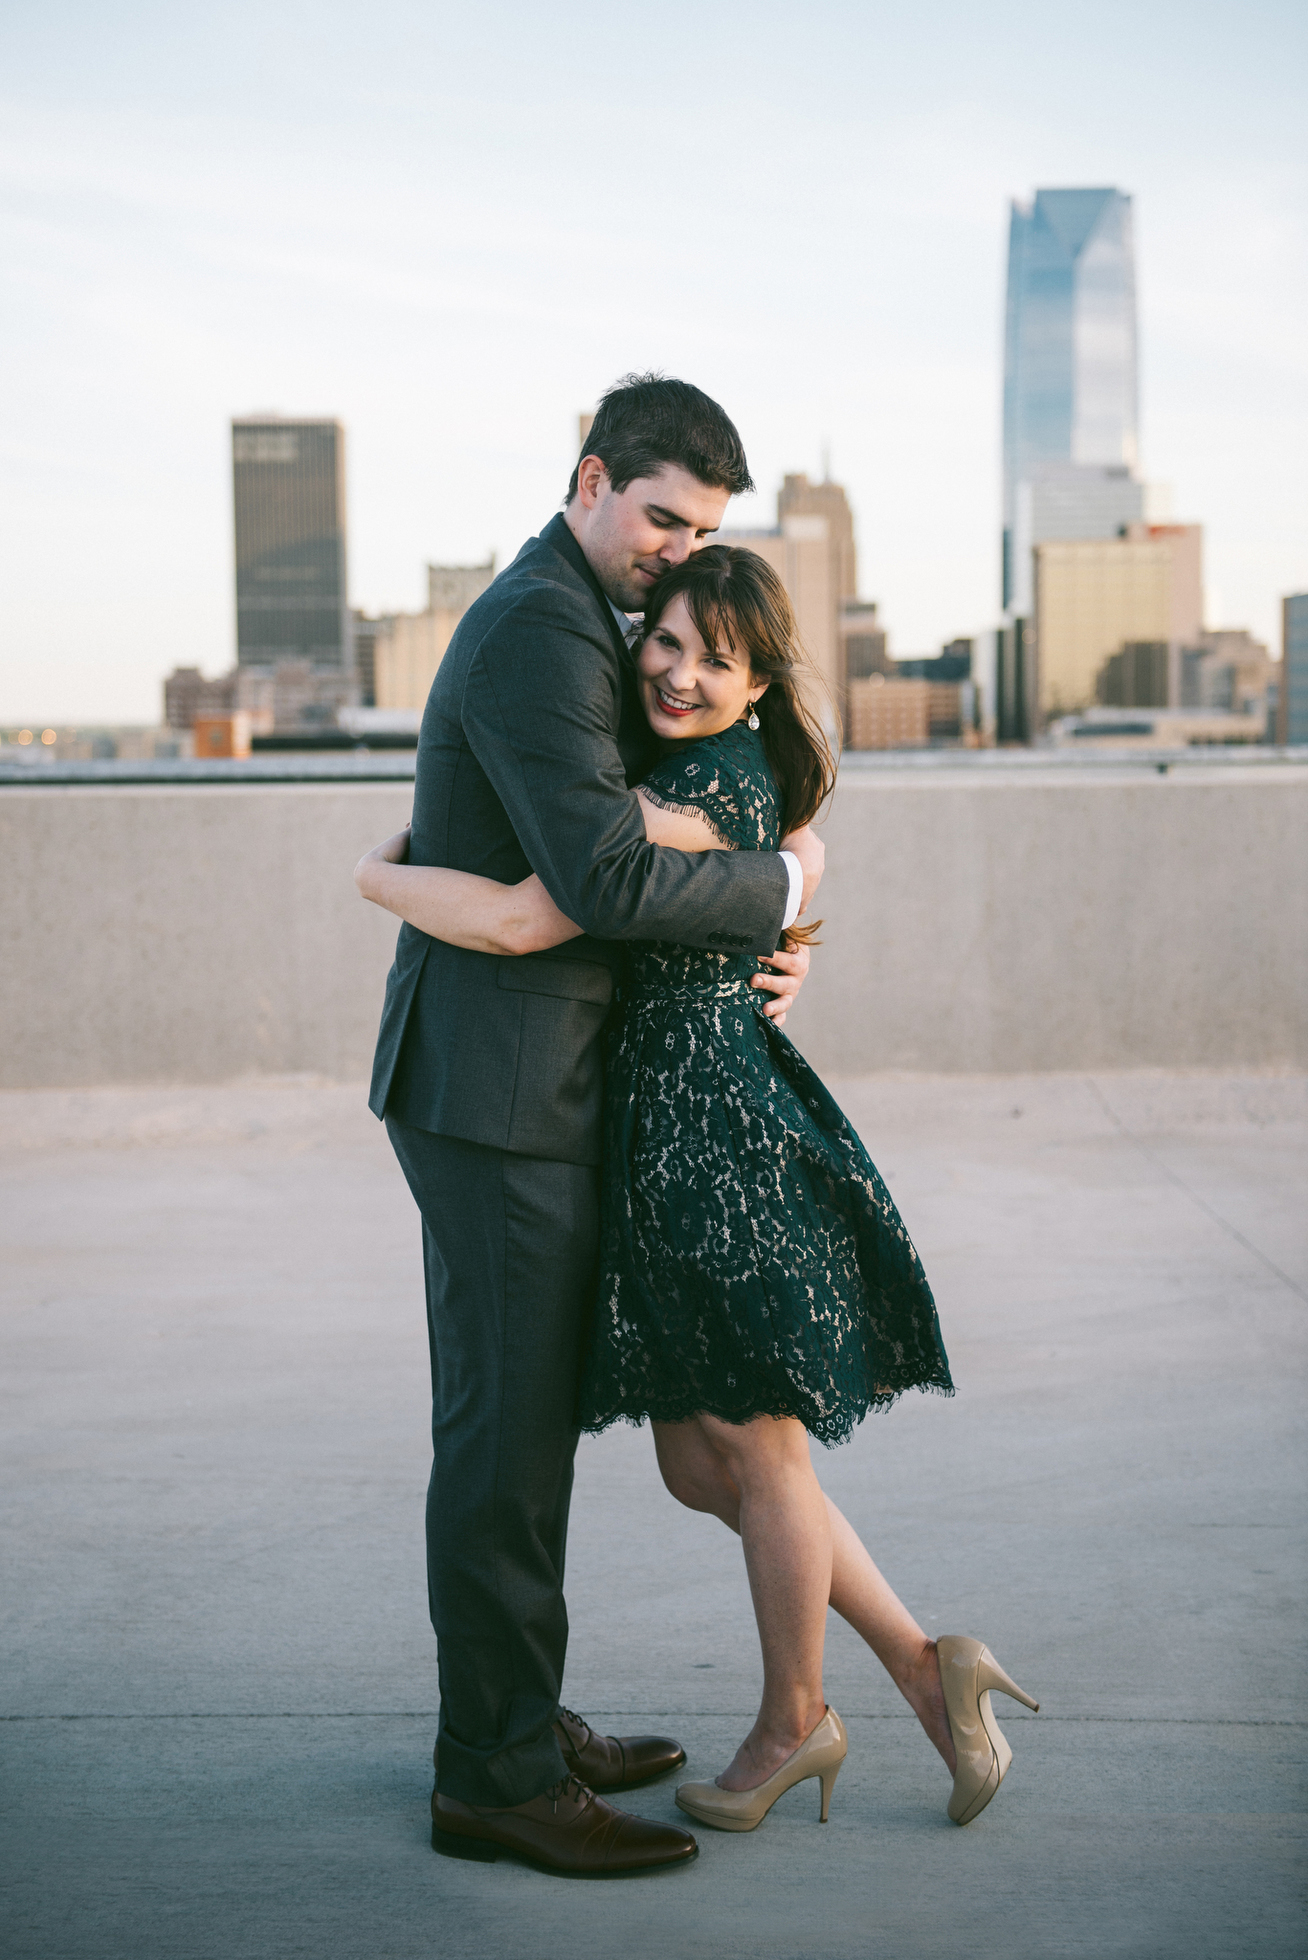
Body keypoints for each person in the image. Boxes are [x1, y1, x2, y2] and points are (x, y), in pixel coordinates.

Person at [359, 545, 1039, 1839]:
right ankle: (921, 1662)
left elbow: (524, 917)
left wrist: (375, 875)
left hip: (708, 1141)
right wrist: (784, 887)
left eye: (713, 660)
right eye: (662, 643)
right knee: (704, 1461)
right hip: (676, 1129)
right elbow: (752, 872)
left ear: (760, 686)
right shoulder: (702, 779)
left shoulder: (682, 802)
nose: (675, 672)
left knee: (759, 1451)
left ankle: (796, 1723)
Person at [364, 375, 825, 1878]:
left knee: (518, 1429)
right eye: (662, 519)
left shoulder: (580, 617)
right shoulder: (540, 629)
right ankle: (493, 1776)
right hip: (498, 1097)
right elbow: (611, 882)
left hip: (520, 1083)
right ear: (591, 478)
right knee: (502, 1441)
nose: (674, 553)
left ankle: (512, 1715)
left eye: (703, 530)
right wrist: (781, 890)